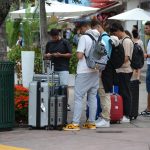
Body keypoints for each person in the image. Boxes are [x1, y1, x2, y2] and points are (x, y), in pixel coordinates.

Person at [63, 20, 99, 131]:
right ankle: (91, 122)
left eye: (80, 28)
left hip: (84, 71)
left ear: (85, 27)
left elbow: (79, 55)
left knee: (78, 97)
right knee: (92, 97)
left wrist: (78, 52)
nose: (80, 31)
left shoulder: (84, 38)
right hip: (95, 70)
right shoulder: (98, 37)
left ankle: (75, 124)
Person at [110, 22, 134, 122]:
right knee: (121, 93)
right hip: (121, 70)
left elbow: (126, 58)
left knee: (125, 93)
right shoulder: (122, 40)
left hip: (125, 70)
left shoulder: (126, 41)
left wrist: (115, 62)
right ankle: (123, 113)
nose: (115, 36)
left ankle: (127, 115)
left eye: (115, 33)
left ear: (119, 30)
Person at [90, 20, 113, 128]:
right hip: (107, 70)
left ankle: (106, 119)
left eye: (95, 29)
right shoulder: (106, 38)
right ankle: (104, 117)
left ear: (99, 27)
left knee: (104, 94)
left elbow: (103, 58)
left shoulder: (104, 39)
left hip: (105, 70)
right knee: (103, 93)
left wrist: (99, 70)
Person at [44, 28, 72, 111]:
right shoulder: (49, 43)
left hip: (63, 68)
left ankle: (66, 103)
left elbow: (70, 54)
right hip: (52, 68)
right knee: (53, 86)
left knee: (64, 86)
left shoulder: (65, 42)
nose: (54, 39)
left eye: (55, 37)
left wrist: (61, 55)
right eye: (52, 37)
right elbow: (45, 55)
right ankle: (55, 103)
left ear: (58, 35)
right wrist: (47, 55)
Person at [140, 21, 150, 116]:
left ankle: (148, 109)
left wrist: (146, 55)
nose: (145, 30)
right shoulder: (148, 40)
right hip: (149, 65)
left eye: (147, 28)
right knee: (148, 88)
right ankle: (148, 108)